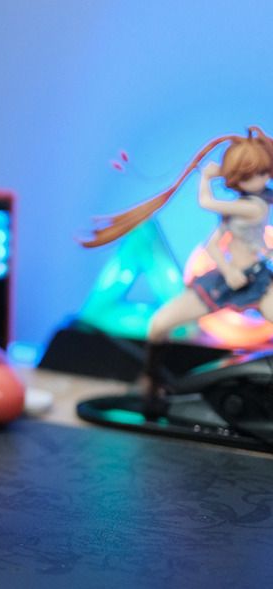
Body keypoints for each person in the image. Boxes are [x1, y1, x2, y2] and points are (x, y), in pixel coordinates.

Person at [86, 127, 273, 408]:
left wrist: (207, 177)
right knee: (158, 324)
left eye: (263, 172)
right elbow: (213, 245)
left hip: (257, 282)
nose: (260, 179)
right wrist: (227, 269)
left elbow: (205, 202)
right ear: (237, 177)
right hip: (224, 281)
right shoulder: (237, 208)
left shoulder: (256, 207)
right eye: (249, 174)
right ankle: (150, 381)